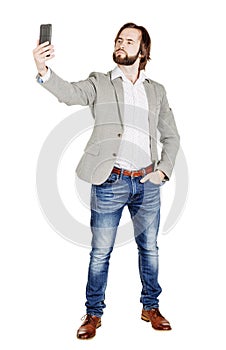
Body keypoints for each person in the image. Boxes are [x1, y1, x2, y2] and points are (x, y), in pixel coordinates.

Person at [33, 22, 180, 339]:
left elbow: (171, 135)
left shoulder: (156, 90)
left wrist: (163, 170)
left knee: (150, 249)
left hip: (148, 182)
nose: (121, 44)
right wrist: (44, 69)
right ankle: (93, 313)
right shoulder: (99, 82)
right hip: (110, 181)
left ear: (142, 51)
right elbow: (70, 94)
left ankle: (150, 306)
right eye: (118, 39)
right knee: (100, 253)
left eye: (129, 40)